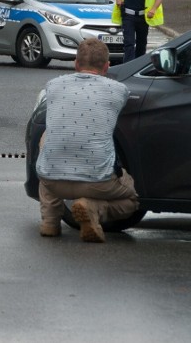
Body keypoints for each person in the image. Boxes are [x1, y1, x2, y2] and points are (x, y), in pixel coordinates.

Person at [36, 38, 139, 242]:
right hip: (99, 182)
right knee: (131, 200)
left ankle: (50, 221)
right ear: (107, 66)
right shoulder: (118, 90)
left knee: (47, 139)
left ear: (76, 64)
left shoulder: (53, 85)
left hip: (53, 181)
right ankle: (93, 208)